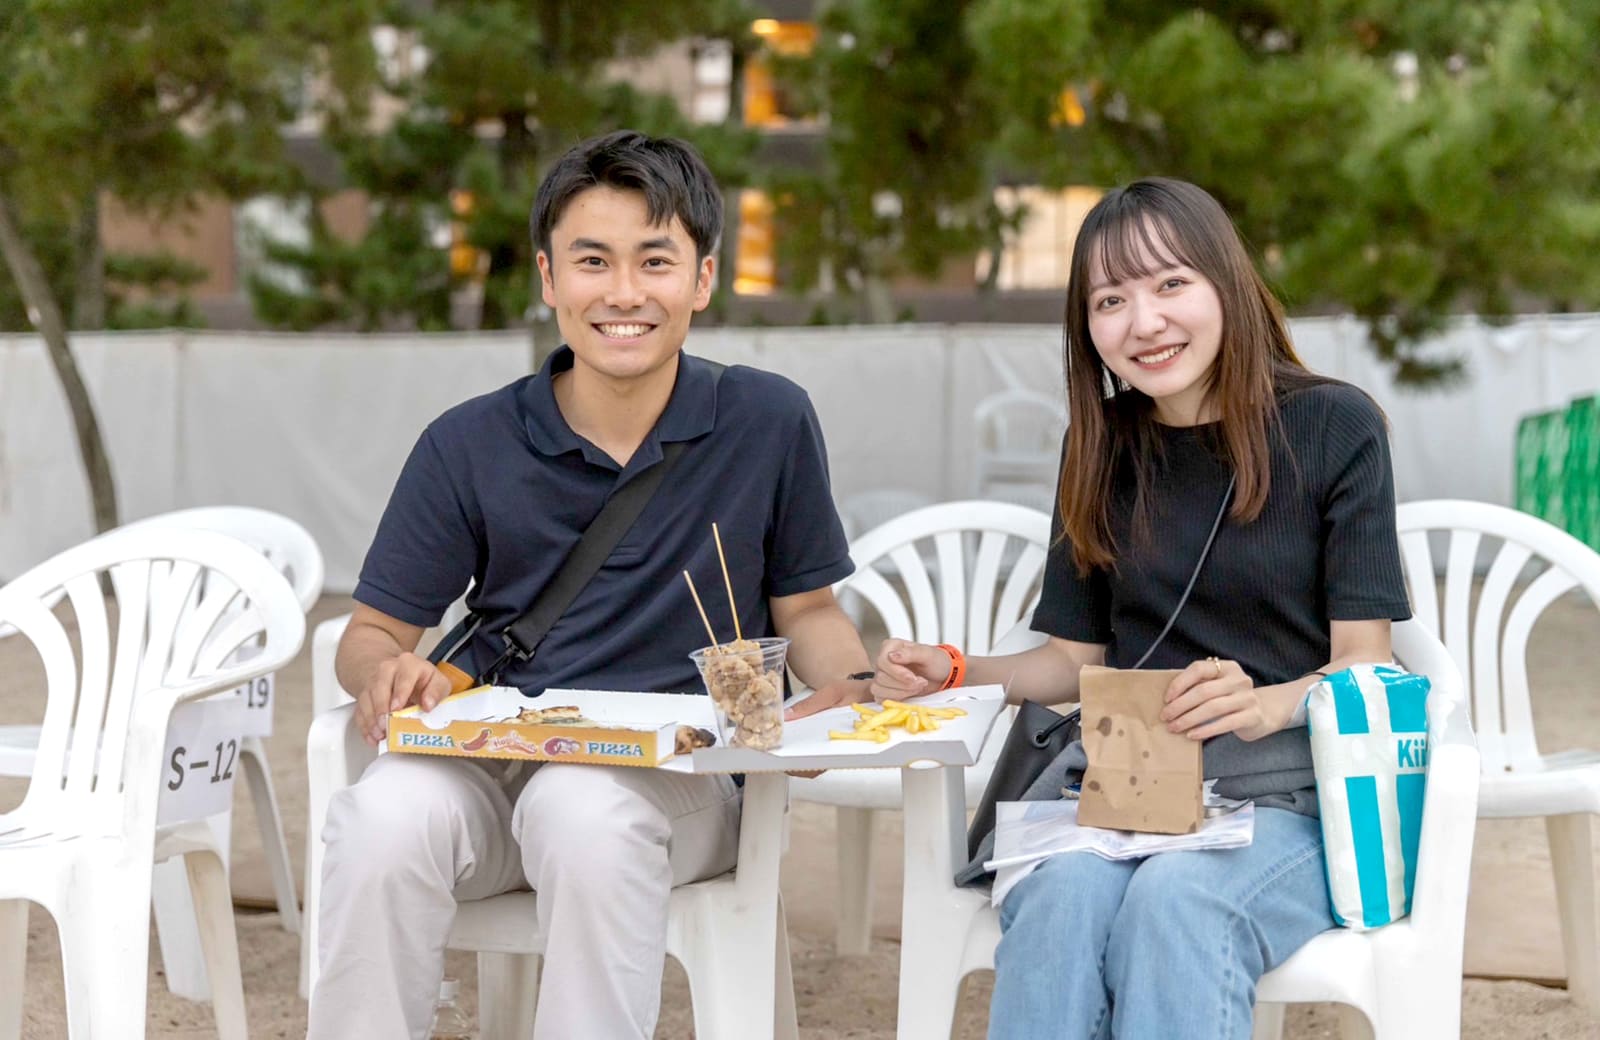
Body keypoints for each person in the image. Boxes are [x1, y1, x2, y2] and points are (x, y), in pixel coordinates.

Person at [307, 130, 874, 1040]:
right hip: (498, 759)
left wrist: (854, 687)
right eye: (592, 261)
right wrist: (382, 672)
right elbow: (369, 633)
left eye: (655, 261)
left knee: (583, 809)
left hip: (679, 778)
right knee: (381, 815)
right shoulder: (467, 442)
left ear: (701, 278)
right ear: (547, 277)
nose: (623, 293)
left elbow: (806, 609)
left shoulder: (767, 419)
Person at [872, 177, 1411, 1039]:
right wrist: (959, 669)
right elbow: (1073, 663)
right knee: (1056, 903)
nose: (1144, 322)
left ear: (1225, 284)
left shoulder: (1335, 427)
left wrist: (1264, 700)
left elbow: (1368, 662)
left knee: (1180, 903)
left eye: (1170, 285)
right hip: (1123, 785)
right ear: (1088, 329)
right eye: (1111, 299)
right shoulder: (1102, 447)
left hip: (1290, 799)